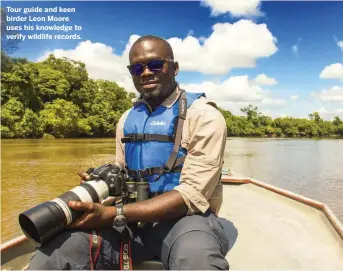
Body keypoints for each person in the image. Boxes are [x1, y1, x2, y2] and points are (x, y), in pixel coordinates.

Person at [27, 35, 230, 270]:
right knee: (56, 252)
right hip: (132, 222)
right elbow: (123, 176)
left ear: (174, 68)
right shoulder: (126, 120)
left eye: (155, 64)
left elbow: (191, 195)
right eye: (136, 68)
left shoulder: (204, 116)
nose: (145, 73)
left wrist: (113, 214)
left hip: (186, 221)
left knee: (197, 258)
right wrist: (103, 186)